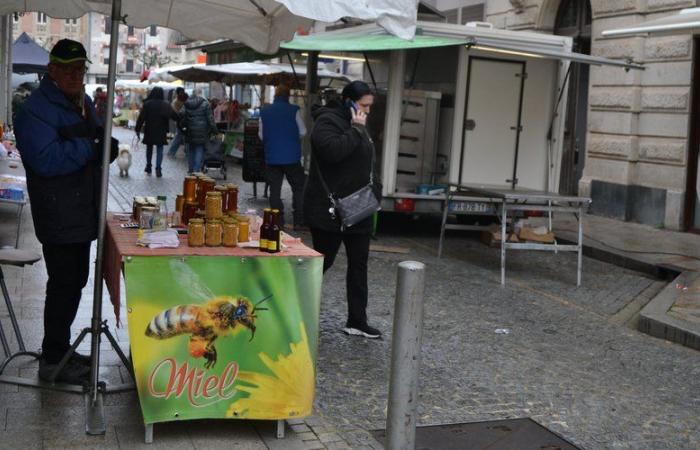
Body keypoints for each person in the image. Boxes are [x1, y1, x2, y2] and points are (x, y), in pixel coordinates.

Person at [14, 39, 117, 384]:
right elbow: (44, 159)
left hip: (80, 208)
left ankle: (58, 350)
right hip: (58, 211)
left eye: (80, 69)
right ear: (52, 70)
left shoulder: (82, 101)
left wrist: (107, 145)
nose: (76, 75)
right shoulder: (36, 109)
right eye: (68, 69)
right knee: (63, 284)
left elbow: (98, 137)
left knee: (75, 281)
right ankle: (54, 359)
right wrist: (91, 148)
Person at [304, 80, 381, 339]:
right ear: (349, 101)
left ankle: (357, 320)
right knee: (322, 263)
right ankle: (297, 310)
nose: (367, 111)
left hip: (358, 208)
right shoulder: (327, 122)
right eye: (364, 105)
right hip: (330, 210)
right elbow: (332, 152)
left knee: (359, 265)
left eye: (370, 106)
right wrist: (357, 130)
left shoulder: (358, 122)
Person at [259, 84, 307, 228]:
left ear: (275, 95)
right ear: (288, 95)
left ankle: (278, 222)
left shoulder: (265, 111)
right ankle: (299, 220)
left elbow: (261, 135)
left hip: (272, 156)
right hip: (292, 157)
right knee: (298, 188)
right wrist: (292, 138)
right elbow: (303, 131)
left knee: (274, 190)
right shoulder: (294, 110)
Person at [135, 87, 176, 177]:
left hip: (150, 129)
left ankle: (148, 166)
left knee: (149, 148)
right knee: (160, 149)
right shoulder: (166, 104)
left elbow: (141, 118)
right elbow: (173, 115)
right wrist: (181, 120)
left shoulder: (147, 104)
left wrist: (137, 129)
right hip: (161, 130)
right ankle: (158, 168)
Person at [180, 88, 218, 173]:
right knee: (199, 149)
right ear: (201, 93)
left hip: (190, 130)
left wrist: (184, 125)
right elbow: (210, 119)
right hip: (202, 131)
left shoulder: (187, 103)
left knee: (191, 149)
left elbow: (182, 114)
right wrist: (215, 131)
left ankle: (190, 169)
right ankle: (196, 170)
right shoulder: (205, 104)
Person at [167, 87, 188, 157]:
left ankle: (172, 152)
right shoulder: (177, 101)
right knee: (180, 137)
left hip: (182, 121)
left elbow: (174, 111)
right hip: (182, 121)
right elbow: (176, 112)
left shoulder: (179, 100)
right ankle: (172, 152)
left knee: (182, 137)